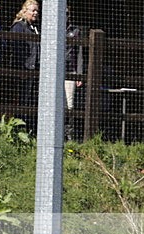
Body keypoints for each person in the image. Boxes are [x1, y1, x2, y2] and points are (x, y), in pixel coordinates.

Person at [10, 0, 40, 132]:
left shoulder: (34, 27)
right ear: (25, 11)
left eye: (37, 11)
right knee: (23, 99)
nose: (35, 13)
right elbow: (16, 48)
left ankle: (30, 129)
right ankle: (19, 128)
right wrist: (20, 67)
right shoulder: (18, 26)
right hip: (23, 69)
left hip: (33, 69)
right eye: (33, 10)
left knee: (31, 99)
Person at [65, 7, 83, 140]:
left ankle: (68, 135)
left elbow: (79, 53)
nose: (65, 15)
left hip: (70, 71)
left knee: (69, 104)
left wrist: (79, 73)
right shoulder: (50, 27)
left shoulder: (75, 31)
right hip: (53, 72)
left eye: (66, 13)